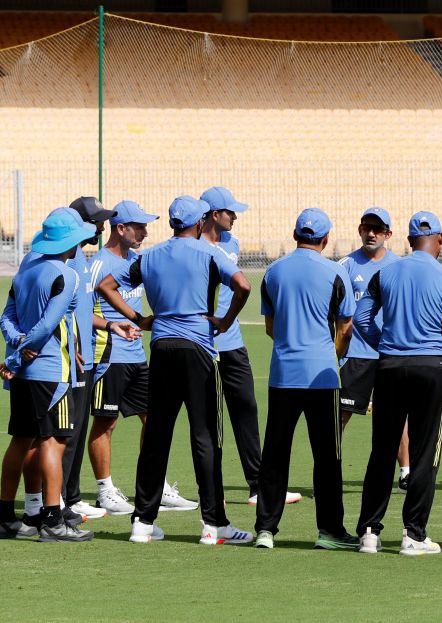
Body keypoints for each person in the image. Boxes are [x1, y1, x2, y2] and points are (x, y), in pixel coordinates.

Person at [97, 195, 254, 545]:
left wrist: (140, 318)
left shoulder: (149, 257)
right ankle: (214, 525)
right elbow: (243, 286)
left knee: (156, 436)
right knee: (205, 436)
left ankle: (142, 522)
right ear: (199, 223)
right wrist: (225, 322)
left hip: (162, 349)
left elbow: (105, 286)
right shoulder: (209, 253)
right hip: (198, 349)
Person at [354, 211, 442, 556]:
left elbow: (362, 318)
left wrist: (387, 343)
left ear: (407, 240)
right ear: (440, 239)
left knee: (382, 450)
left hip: (389, 366)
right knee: (424, 454)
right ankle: (414, 534)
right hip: (430, 368)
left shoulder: (385, 272)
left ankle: (369, 534)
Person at [253, 209, 356, 551]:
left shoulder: (273, 271)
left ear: (295, 234)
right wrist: (333, 353)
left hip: (283, 373)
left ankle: (265, 529)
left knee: (275, 454)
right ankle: (329, 531)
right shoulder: (335, 271)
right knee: (328, 456)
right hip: (321, 376)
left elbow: (270, 327)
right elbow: (346, 327)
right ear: (326, 239)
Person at [199, 186, 299, 507]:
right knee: (211, 420)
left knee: (247, 408)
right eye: (230, 212)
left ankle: (259, 486)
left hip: (234, 342)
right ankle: (212, 491)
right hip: (204, 345)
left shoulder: (233, 242)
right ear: (215, 214)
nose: (235, 217)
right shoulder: (195, 247)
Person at [0, 208, 95, 541]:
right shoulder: (67, 275)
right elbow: (48, 324)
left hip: (25, 372)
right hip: (53, 373)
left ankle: (5, 517)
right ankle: (53, 521)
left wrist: (15, 350)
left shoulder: (26, 269)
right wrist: (21, 352)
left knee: (20, 441)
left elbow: (6, 318)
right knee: (53, 442)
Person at [87, 201, 159, 516]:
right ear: (121, 229)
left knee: (154, 419)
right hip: (107, 355)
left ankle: (154, 484)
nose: (144, 232)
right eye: (139, 227)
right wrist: (113, 327)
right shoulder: (98, 265)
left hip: (136, 356)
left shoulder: (138, 261)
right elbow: (80, 313)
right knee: (106, 422)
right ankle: (105, 490)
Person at [336, 208, 408, 490]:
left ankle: (406, 472)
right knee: (340, 415)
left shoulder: (399, 266)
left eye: (378, 229)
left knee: (399, 415)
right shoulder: (345, 265)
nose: (371, 233)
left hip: (390, 354)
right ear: (359, 229)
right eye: (366, 227)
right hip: (356, 354)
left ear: (388, 234)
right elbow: (336, 311)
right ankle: (330, 467)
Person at [60, 197, 116, 522]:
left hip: (86, 358)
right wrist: (74, 343)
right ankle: (60, 502)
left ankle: (73, 496)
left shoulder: (80, 255)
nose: (102, 227)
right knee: (66, 434)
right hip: (71, 359)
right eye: (97, 221)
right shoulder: (66, 260)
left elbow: (82, 311)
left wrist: (108, 325)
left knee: (78, 431)